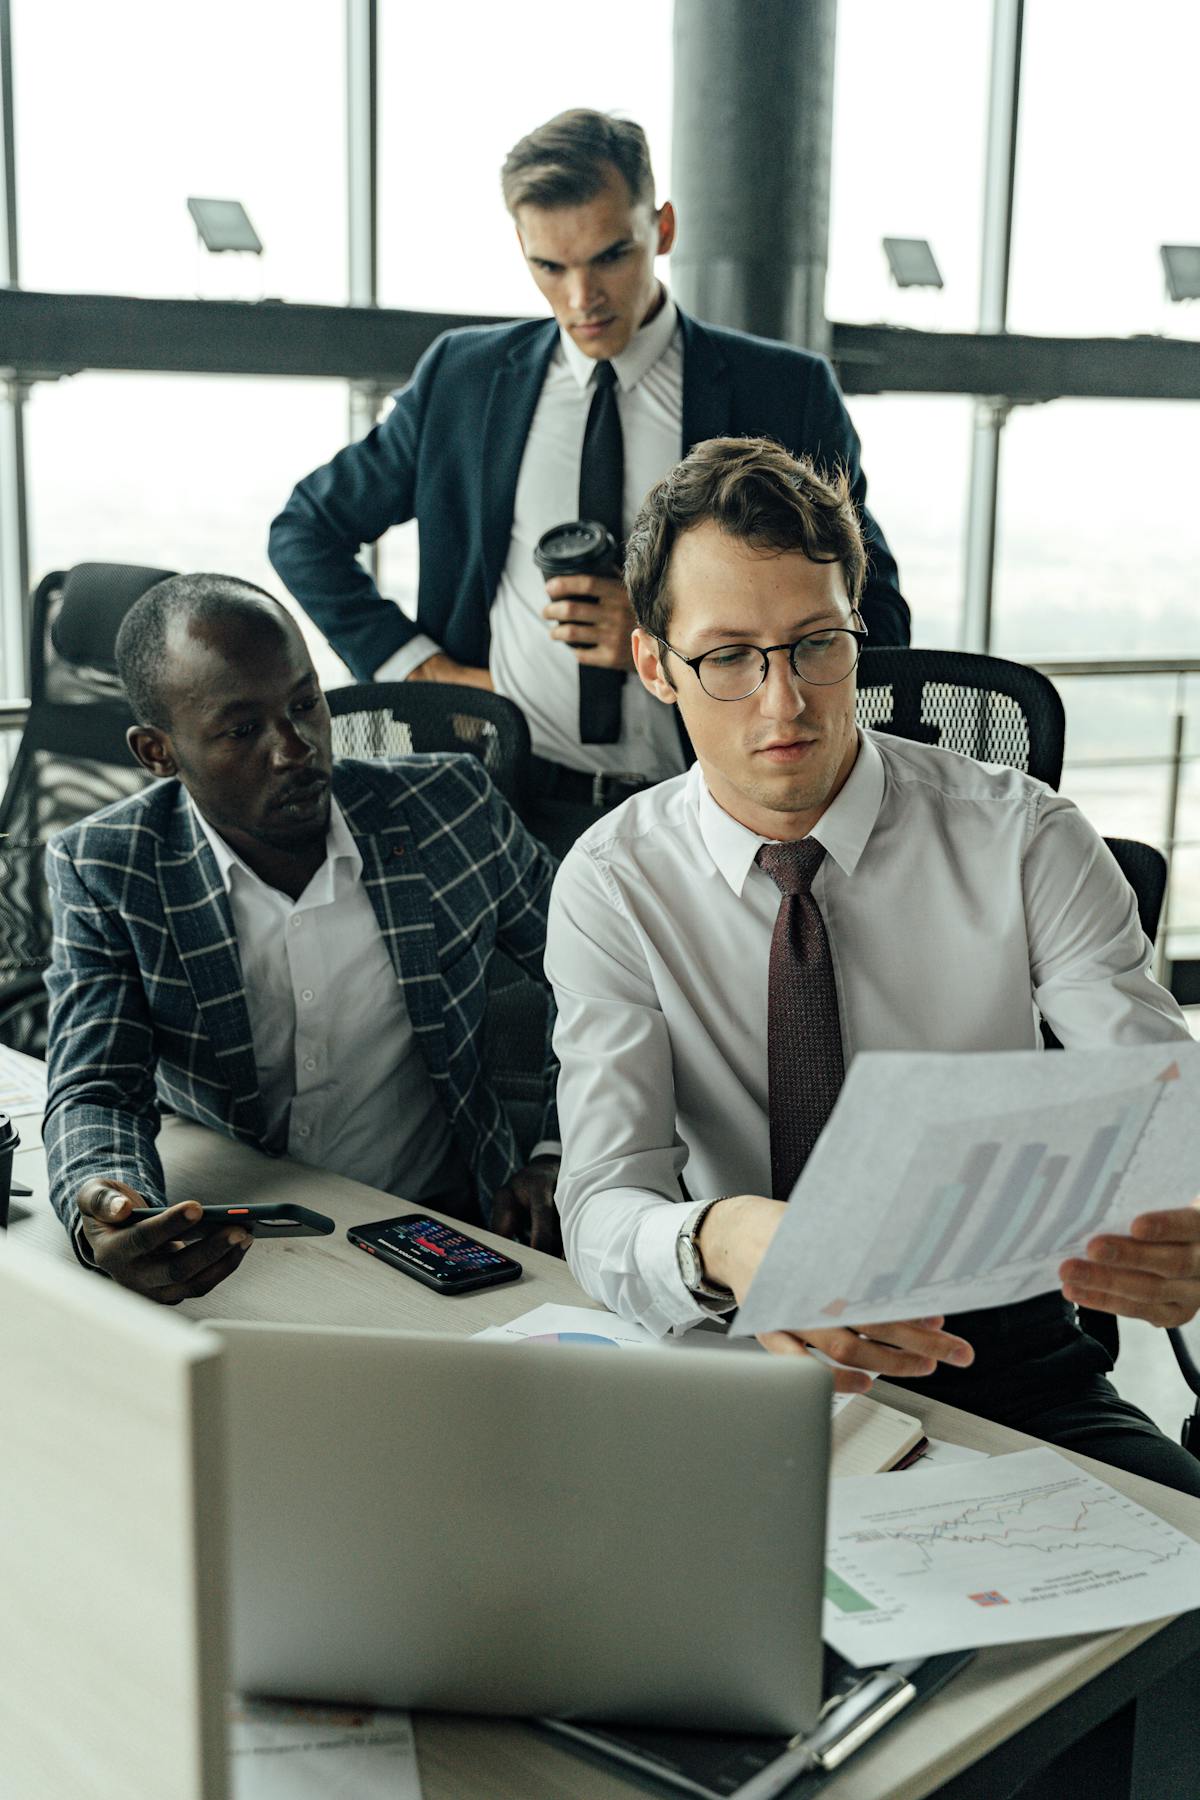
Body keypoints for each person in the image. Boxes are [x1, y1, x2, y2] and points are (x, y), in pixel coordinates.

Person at [545, 435, 1200, 1497]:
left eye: (816, 644)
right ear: (658, 666)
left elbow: (1164, 1113)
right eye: (728, 657)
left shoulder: (1022, 837)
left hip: (998, 1349)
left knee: (1176, 1577)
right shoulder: (613, 882)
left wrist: (1182, 1223)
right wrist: (721, 1235)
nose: (783, 702)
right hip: (740, 1339)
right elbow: (605, 1201)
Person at [268, 109, 908, 849]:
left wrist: (661, 646)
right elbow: (304, 531)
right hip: (499, 807)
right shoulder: (465, 380)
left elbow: (878, 615)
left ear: (661, 229)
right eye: (551, 267)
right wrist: (425, 670)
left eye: (611, 256)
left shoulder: (781, 392)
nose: (582, 299)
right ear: (522, 248)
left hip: (709, 815)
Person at [43, 574, 560, 1304]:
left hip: (447, 1226)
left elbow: (605, 979)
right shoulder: (112, 867)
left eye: (304, 704)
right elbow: (98, 1085)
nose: (296, 748)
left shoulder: (450, 807)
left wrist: (560, 1152)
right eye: (241, 729)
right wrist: (109, 1202)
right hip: (245, 1238)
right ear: (158, 751)